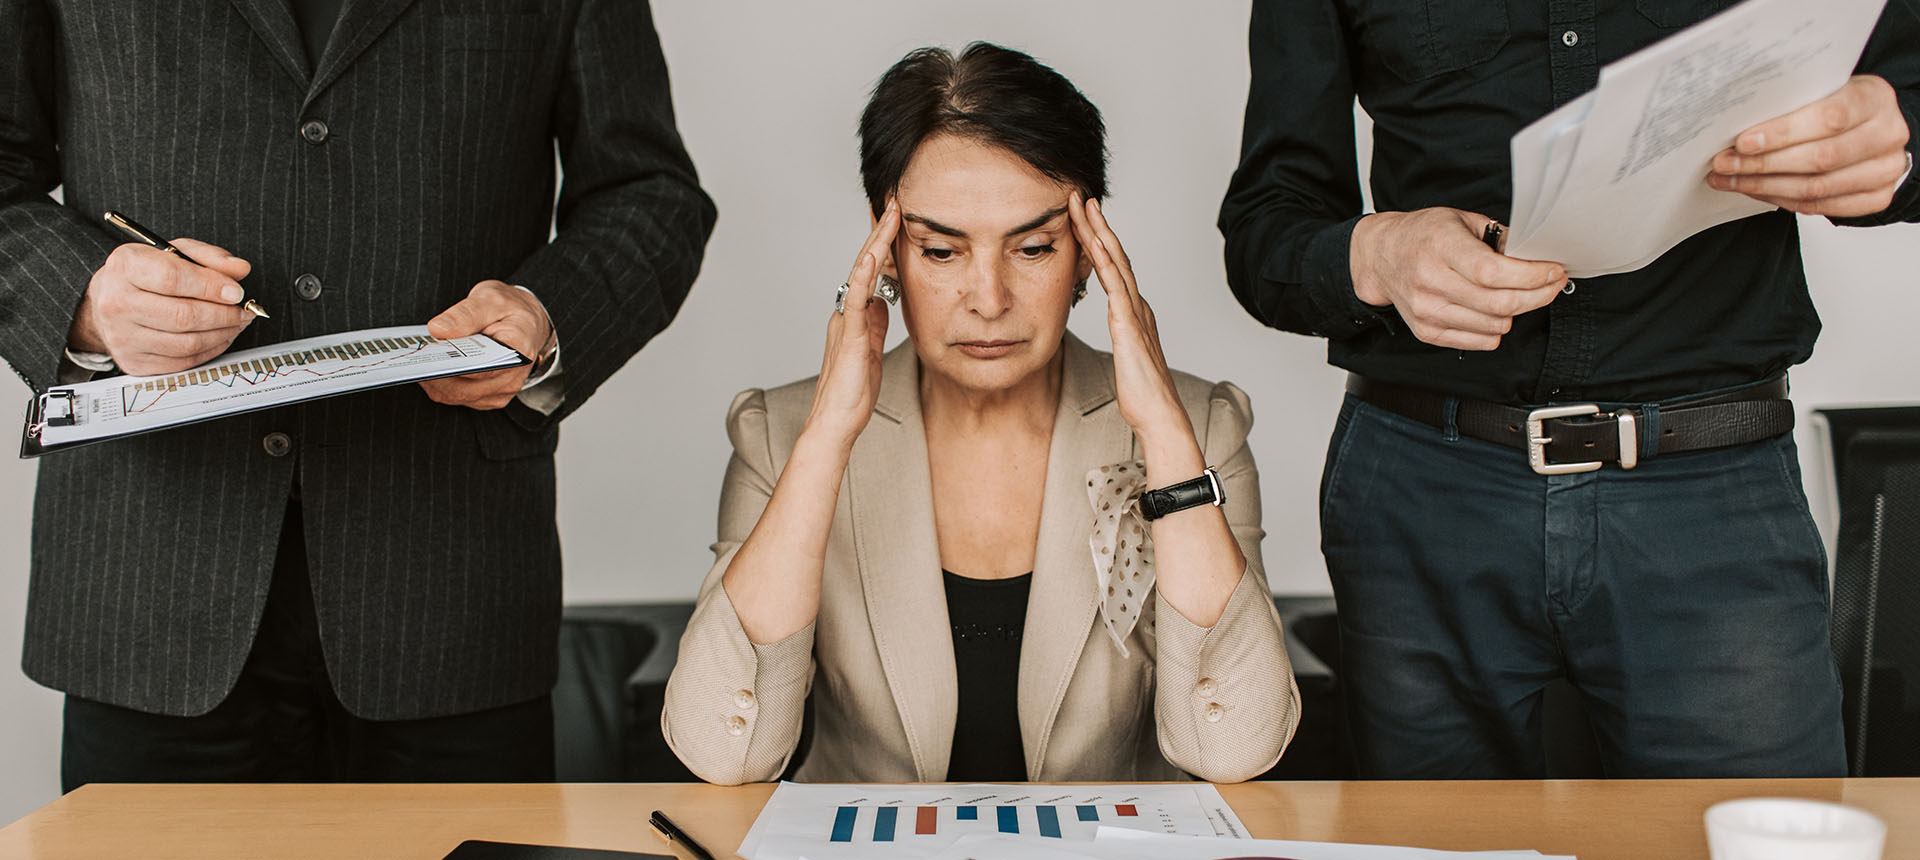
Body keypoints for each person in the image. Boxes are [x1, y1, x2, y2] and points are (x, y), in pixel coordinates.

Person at [0, 0, 715, 787]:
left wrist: (547, 313)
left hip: (449, 589)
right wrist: (87, 305)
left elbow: (651, 195)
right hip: (145, 580)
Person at [1219, 1, 1919, 779]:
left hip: (1714, 498)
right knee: (1429, 841)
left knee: (1764, 838)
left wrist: (1902, 143)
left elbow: (1908, 105)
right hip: (1424, 498)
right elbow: (1264, 228)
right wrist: (1373, 254)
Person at [664, 43, 1296, 785]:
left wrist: (1161, 430)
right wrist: (826, 441)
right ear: (887, 246)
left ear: (1090, 250)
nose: (989, 299)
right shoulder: (779, 434)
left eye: (1032, 247)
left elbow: (1236, 751)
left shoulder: (1201, 427)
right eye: (940, 251)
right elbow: (722, 754)